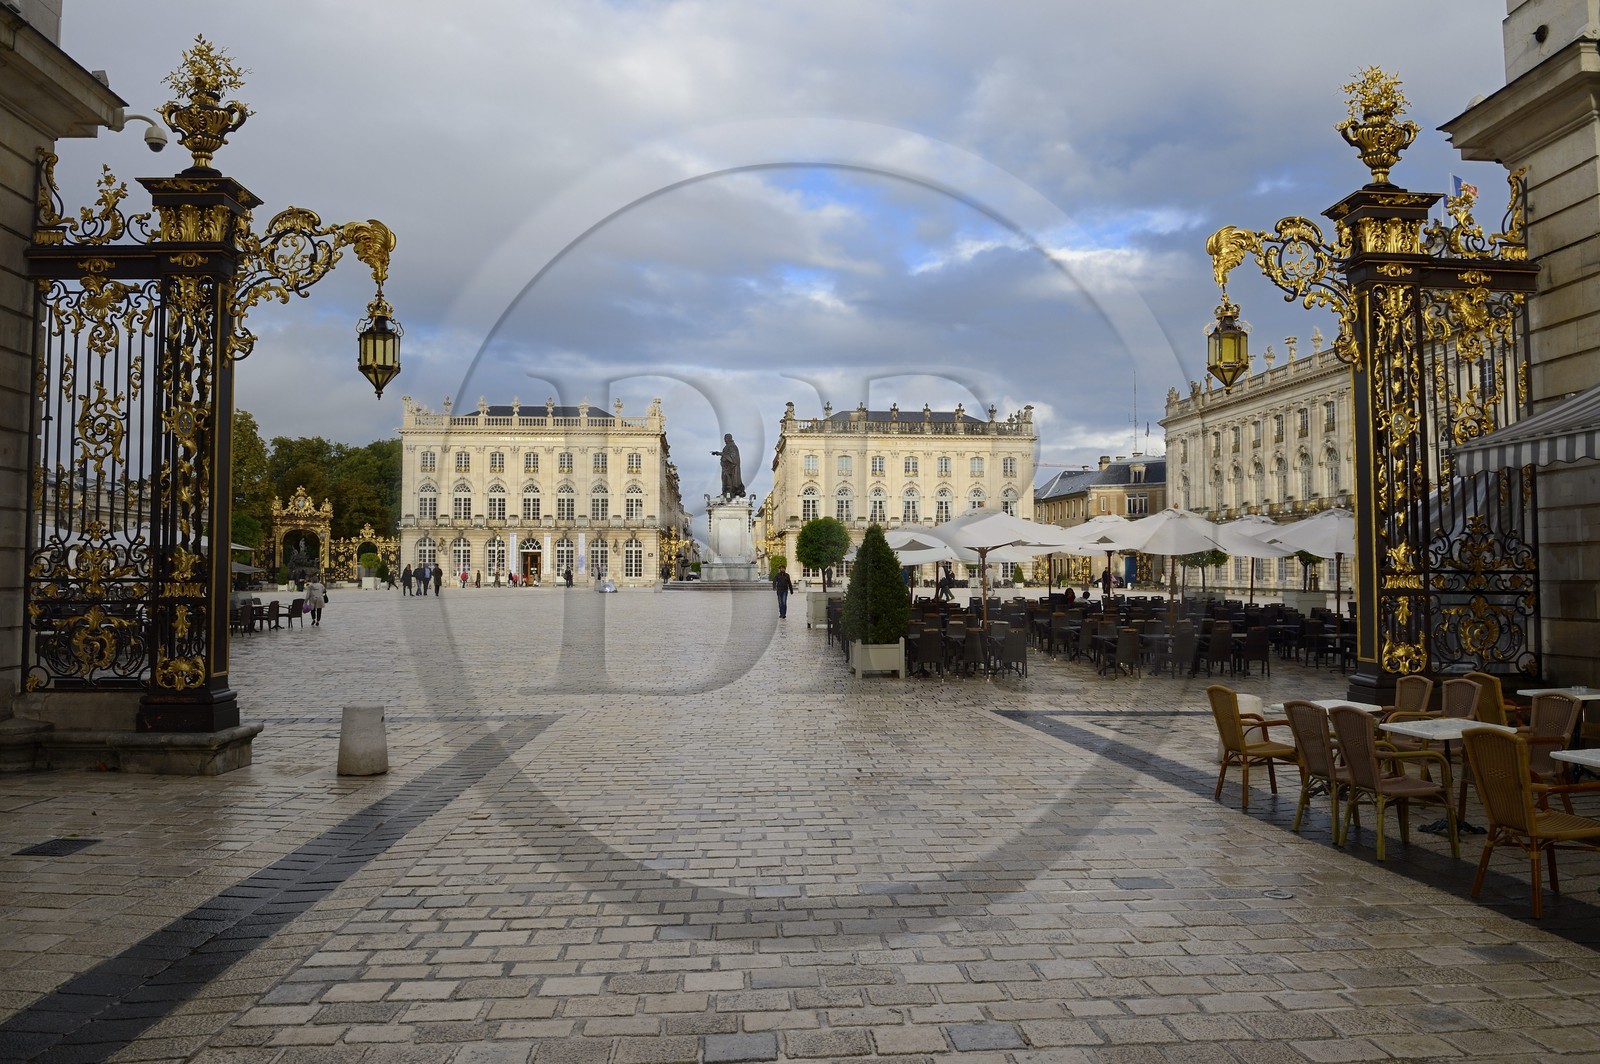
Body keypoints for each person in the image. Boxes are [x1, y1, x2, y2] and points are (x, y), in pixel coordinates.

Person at [710, 433, 744, 498]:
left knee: (728, 480)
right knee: (724, 479)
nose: (725, 440)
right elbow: (726, 454)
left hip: (731, 468)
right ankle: (725, 492)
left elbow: (733, 457)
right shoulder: (728, 446)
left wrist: (723, 455)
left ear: (729, 439)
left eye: (725, 439)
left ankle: (729, 492)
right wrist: (719, 453)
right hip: (726, 468)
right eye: (724, 439)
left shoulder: (732, 446)